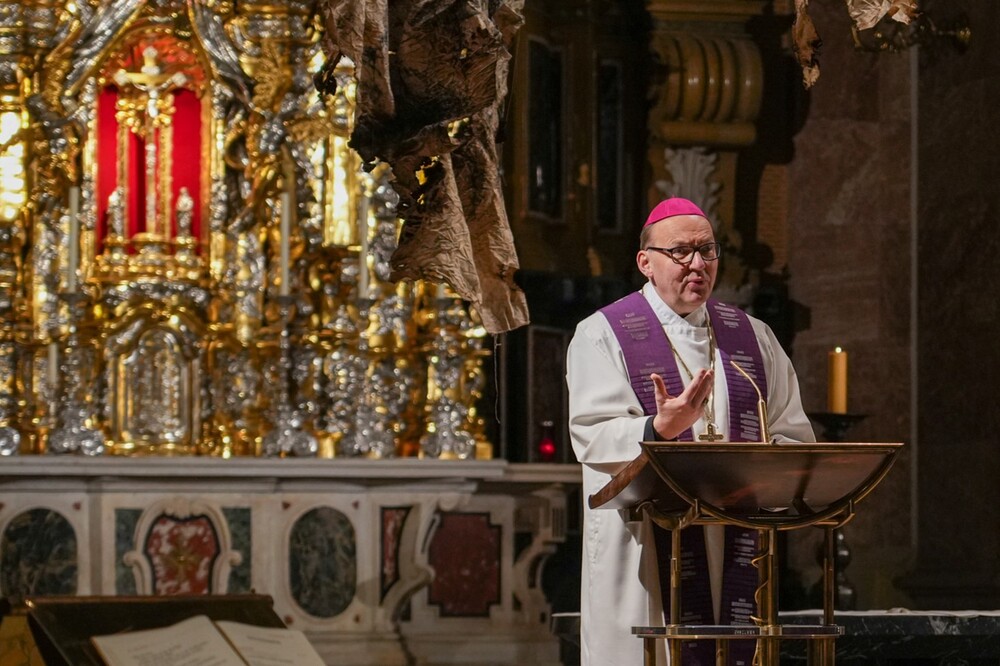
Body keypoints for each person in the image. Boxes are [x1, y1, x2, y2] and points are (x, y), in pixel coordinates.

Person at [566, 197, 815, 665]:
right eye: (680, 251)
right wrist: (657, 428)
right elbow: (592, 434)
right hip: (645, 548)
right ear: (646, 262)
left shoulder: (753, 337)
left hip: (737, 539)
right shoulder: (603, 333)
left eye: (707, 251)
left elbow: (792, 436)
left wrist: (771, 471)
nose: (697, 264)